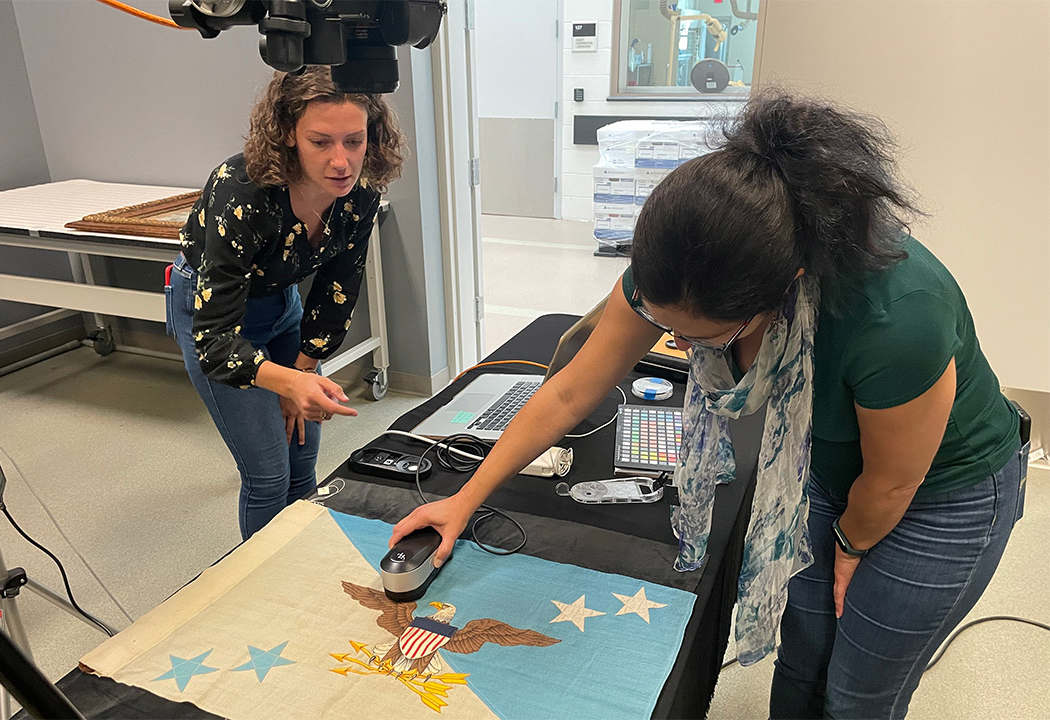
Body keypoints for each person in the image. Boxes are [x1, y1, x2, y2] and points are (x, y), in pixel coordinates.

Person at [390, 92, 1026, 718]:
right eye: (668, 327)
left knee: (860, 690)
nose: (680, 348)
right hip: (824, 470)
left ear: (785, 289)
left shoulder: (895, 314)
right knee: (802, 656)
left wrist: (849, 549)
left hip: (943, 496)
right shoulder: (678, 265)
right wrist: (463, 499)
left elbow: (893, 482)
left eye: (700, 337)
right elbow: (568, 390)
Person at [166, 67, 405, 540]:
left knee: (302, 461)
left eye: (354, 141)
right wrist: (287, 384)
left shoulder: (361, 194)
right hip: (216, 316)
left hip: (281, 306)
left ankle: (299, 564)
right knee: (268, 474)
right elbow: (215, 340)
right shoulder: (241, 191)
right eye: (321, 142)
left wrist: (304, 370)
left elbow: (339, 289)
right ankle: (260, 588)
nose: (342, 162)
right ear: (288, 136)